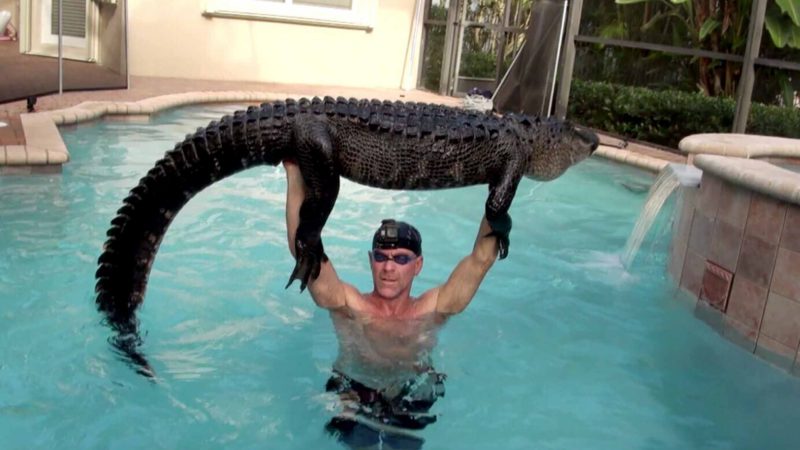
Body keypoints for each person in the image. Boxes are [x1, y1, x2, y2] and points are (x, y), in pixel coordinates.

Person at [283, 161, 499, 449]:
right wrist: (295, 173)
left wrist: (501, 188)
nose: (389, 268)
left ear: (417, 265)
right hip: (354, 390)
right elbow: (303, 251)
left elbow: (481, 259)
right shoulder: (349, 304)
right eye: (382, 257)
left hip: (412, 391)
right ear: (371, 260)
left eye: (400, 259)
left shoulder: (433, 308)